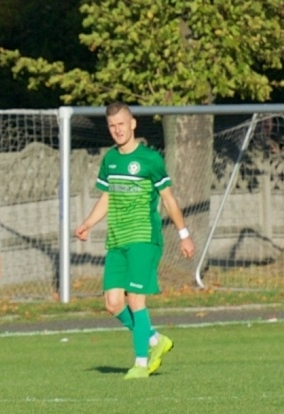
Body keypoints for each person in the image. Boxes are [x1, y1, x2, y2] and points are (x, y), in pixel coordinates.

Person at [73, 102, 196, 379]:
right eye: (112, 126)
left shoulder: (150, 160)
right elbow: (107, 197)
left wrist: (184, 235)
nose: (117, 130)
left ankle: (141, 363)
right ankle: (155, 340)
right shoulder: (110, 161)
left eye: (121, 124)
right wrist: (88, 223)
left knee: (135, 301)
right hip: (117, 240)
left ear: (132, 124)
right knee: (113, 303)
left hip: (143, 238)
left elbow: (168, 199)